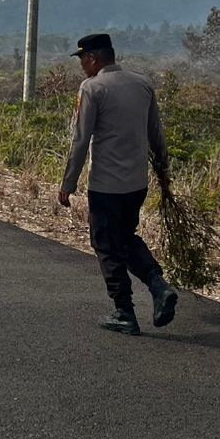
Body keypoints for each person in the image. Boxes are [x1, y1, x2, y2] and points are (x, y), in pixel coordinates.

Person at [58, 32, 179, 335]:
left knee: (106, 245)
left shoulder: (92, 88)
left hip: (106, 185)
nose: (82, 66)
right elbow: (157, 134)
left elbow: (80, 139)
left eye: (82, 59)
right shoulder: (143, 83)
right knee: (124, 237)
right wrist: (164, 173)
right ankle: (158, 285)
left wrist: (68, 183)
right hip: (137, 184)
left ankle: (124, 311)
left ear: (93, 58)